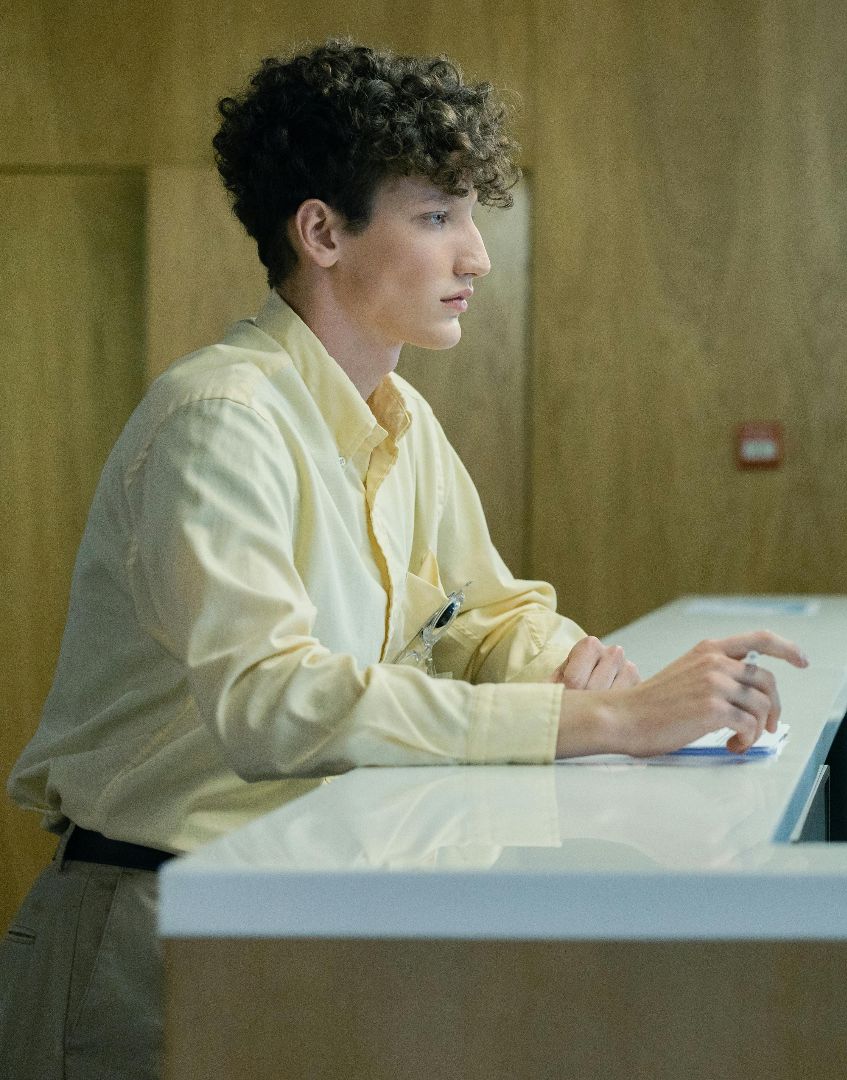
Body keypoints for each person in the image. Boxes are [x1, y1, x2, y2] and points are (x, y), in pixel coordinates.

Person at [0, 39, 805, 1080]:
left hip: (295, 917)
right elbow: (272, 702)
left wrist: (581, 667)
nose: (475, 255)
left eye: (470, 215)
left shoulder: (399, 418)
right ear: (322, 232)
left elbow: (485, 611)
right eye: (437, 217)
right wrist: (601, 721)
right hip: (152, 933)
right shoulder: (220, 420)